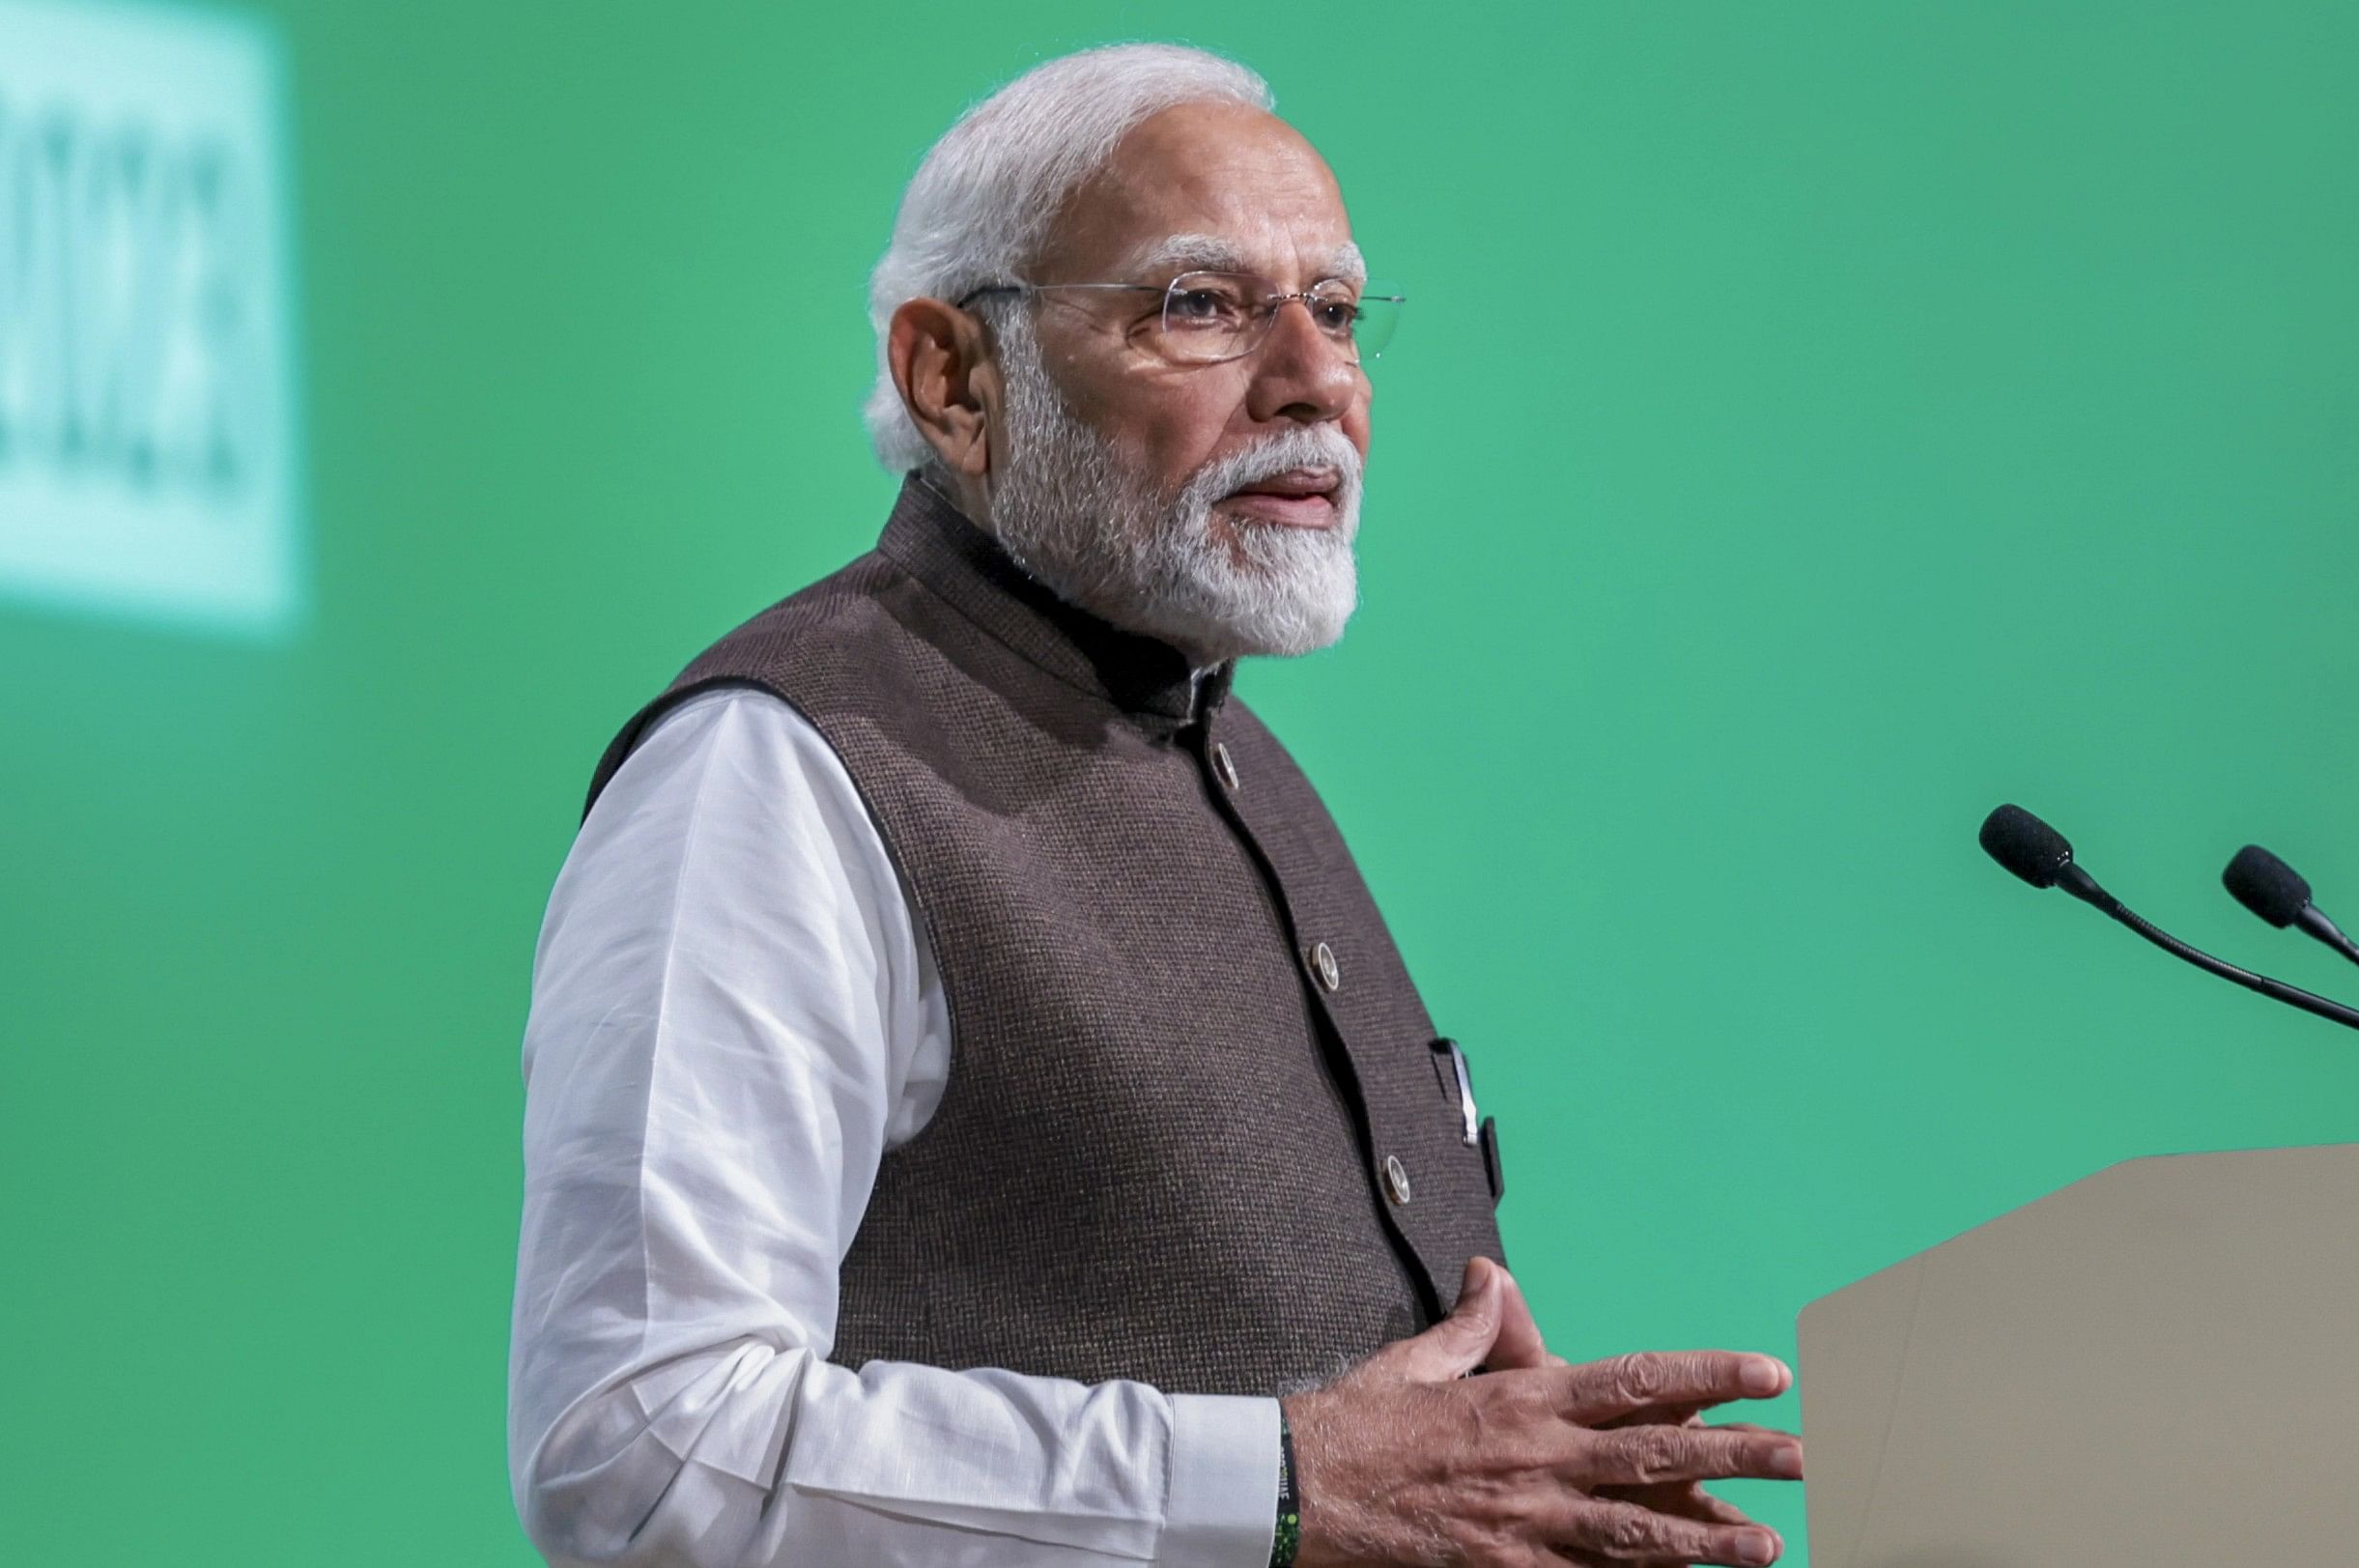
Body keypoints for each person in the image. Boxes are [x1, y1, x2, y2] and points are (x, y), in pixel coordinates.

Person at [506, 43, 1803, 1568]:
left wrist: (1516, 1494)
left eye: (1332, 310)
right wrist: (1276, 1485)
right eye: (1199, 305)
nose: (1315, 381)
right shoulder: (776, 767)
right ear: (954, 378)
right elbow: (644, 1447)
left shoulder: (1246, 773)